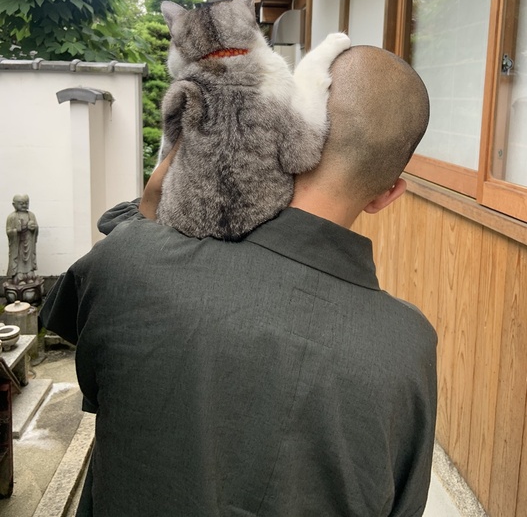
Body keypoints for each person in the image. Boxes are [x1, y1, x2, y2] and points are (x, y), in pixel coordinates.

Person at [40, 45, 437, 517]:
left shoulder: (132, 261)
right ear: (388, 194)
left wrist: (150, 215)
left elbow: (85, 356)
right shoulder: (408, 348)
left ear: (278, 128)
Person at [6, 194, 39, 281]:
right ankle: (18, 274)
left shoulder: (31, 215)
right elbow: (8, 231)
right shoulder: (12, 217)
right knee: (19, 258)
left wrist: (34, 228)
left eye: (26, 203)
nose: (24, 205)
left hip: (28, 241)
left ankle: (29, 272)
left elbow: (36, 228)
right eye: (21, 203)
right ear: (14, 205)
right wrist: (16, 231)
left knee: (29, 259)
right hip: (18, 243)